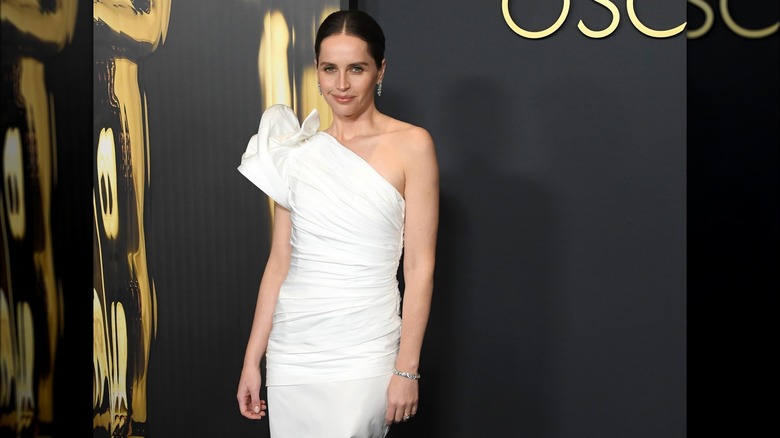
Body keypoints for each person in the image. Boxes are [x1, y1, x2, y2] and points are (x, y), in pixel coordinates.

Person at [236, 9, 439, 438]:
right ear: (317, 72)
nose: (341, 85)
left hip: (365, 345)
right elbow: (279, 262)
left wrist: (407, 369)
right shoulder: (296, 152)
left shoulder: (412, 145)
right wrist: (252, 360)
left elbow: (419, 267)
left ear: (380, 70)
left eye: (356, 69)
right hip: (294, 349)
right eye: (330, 69)